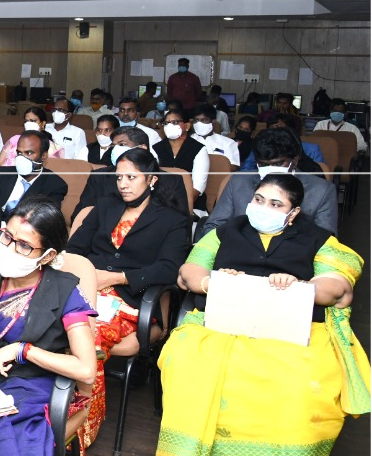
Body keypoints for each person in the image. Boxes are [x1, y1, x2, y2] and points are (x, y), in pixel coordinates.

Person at [158, 175, 368, 456]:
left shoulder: (318, 239)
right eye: (258, 199)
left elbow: (337, 286)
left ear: (293, 213)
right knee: (189, 358)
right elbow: (189, 272)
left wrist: (299, 286)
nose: (263, 208)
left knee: (299, 380)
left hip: (290, 328)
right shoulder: (225, 231)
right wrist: (215, 281)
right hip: (223, 322)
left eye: (275, 204)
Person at [0, 195, 98, 456]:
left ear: (48, 255)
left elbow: (86, 370)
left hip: (29, 386)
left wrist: (23, 350)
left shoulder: (66, 291)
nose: (10, 249)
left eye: (24, 246)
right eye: (7, 237)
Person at [66, 157, 192, 450]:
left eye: (132, 177)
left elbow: (168, 269)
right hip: (84, 290)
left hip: (131, 300)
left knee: (87, 337)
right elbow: (74, 249)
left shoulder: (172, 220)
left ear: (152, 180)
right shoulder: (105, 207)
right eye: (119, 177)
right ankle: (39, 411)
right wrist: (87, 275)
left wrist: (118, 277)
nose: (123, 184)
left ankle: (76, 433)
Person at [199, 132, 339, 239]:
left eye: (278, 163)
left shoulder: (321, 190)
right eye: (264, 164)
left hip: (292, 263)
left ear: (294, 161)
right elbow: (213, 226)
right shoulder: (238, 182)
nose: (270, 168)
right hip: (237, 258)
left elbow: (325, 239)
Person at [0, 132, 69, 218]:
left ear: (44, 156)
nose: (21, 158)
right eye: (19, 153)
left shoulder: (55, 185)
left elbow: (45, 220)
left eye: (29, 153)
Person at [155, 109, 209, 189]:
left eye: (175, 122)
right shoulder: (156, 148)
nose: (169, 126)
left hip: (189, 197)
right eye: (166, 123)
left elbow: (197, 188)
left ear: (187, 126)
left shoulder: (198, 149)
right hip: (160, 197)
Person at [0, 107, 64, 167]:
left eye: (33, 121)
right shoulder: (14, 139)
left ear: (43, 124)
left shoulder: (50, 146)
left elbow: (52, 171)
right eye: (26, 121)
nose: (29, 123)